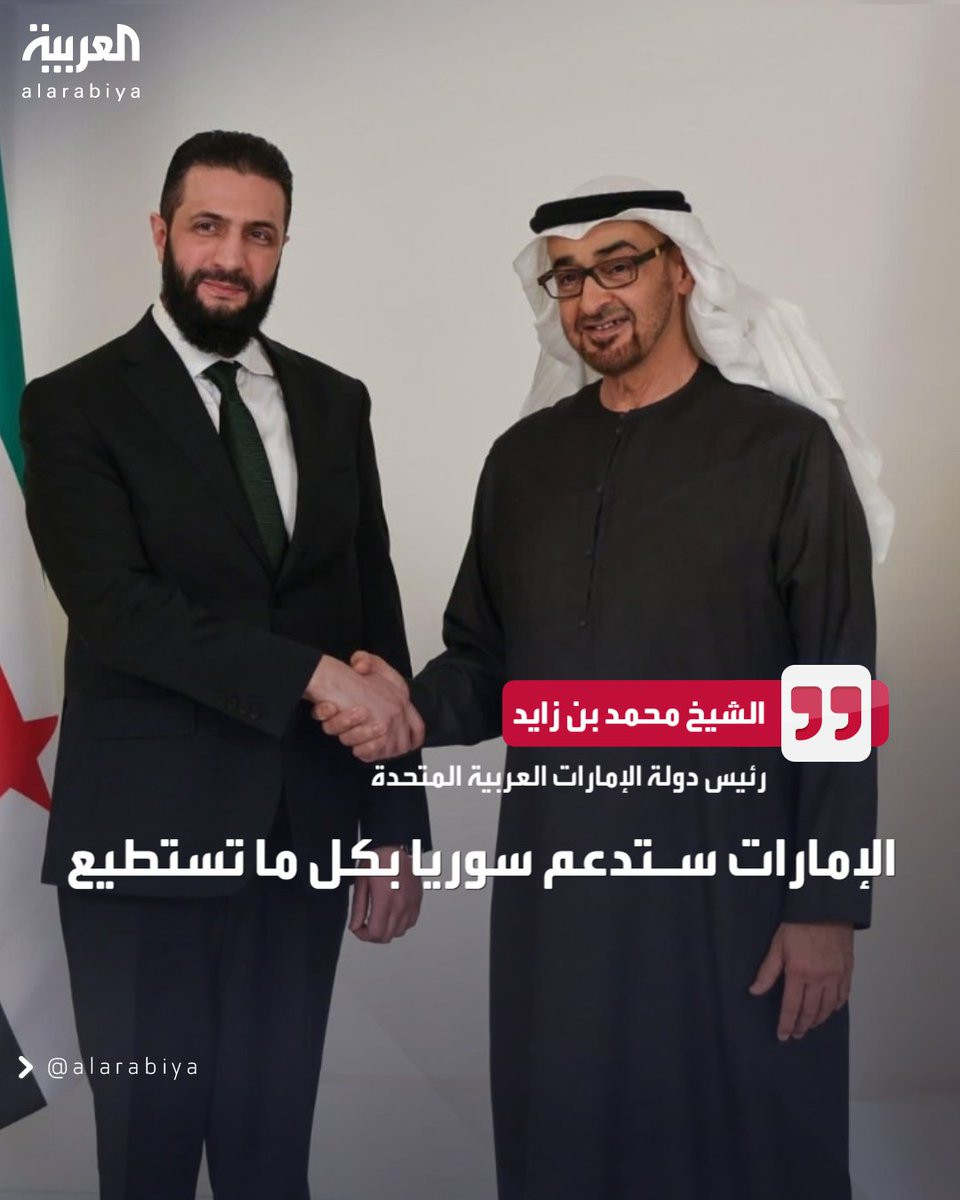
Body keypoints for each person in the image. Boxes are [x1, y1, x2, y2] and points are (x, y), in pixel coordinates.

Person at [319, 178, 892, 1199]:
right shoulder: (524, 461)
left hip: (736, 889)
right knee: (571, 1148)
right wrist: (403, 706)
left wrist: (826, 904)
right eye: (569, 277)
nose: (592, 298)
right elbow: (486, 662)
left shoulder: (784, 449)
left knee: (753, 1155)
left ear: (681, 272)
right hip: (563, 896)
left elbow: (836, 693)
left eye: (619, 266)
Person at [20, 130, 427, 1200]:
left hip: (302, 836)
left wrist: (395, 823)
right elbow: (118, 611)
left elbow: (373, 614)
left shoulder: (336, 401)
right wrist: (311, 675)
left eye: (259, 234)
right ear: (162, 232)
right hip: (138, 847)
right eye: (208, 227)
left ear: (284, 246)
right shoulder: (71, 404)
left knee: (269, 1163)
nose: (231, 257)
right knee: (145, 1164)